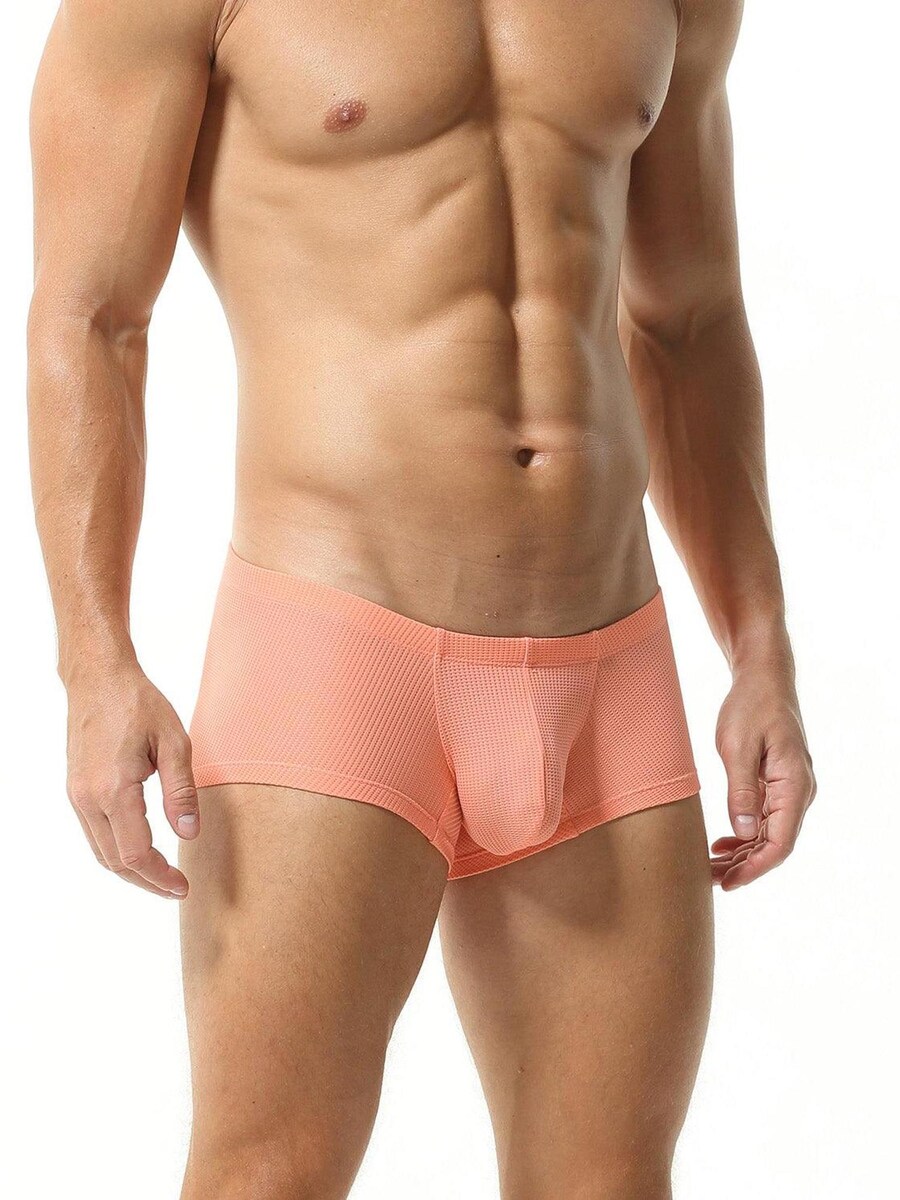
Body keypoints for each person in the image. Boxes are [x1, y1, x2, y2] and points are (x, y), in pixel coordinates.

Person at [27, 1, 816, 1196]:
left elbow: (690, 318)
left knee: (610, 1182)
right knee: (266, 1174)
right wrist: (94, 662)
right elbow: (91, 316)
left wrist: (761, 646)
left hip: (606, 654)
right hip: (336, 639)